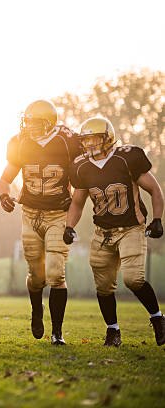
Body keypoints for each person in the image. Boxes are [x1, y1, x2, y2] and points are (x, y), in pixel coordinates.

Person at [65, 117, 165, 346]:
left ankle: (158, 318)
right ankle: (113, 330)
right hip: (103, 232)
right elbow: (78, 202)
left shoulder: (127, 157)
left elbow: (155, 190)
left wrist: (158, 219)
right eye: (86, 139)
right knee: (103, 285)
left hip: (131, 228)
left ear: (107, 138)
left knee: (133, 279)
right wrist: (69, 226)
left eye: (94, 138)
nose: (89, 144)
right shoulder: (81, 166)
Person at [0, 100, 80, 345]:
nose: (29, 127)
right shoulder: (21, 142)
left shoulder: (68, 141)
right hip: (30, 214)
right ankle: (37, 311)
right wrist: (3, 194)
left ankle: (57, 332)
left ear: (49, 123)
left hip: (58, 213)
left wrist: (74, 217)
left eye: (34, 122)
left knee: (56, 272)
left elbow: (83, 179)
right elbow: (5, 178)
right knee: (36, 276)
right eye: (28, 121)